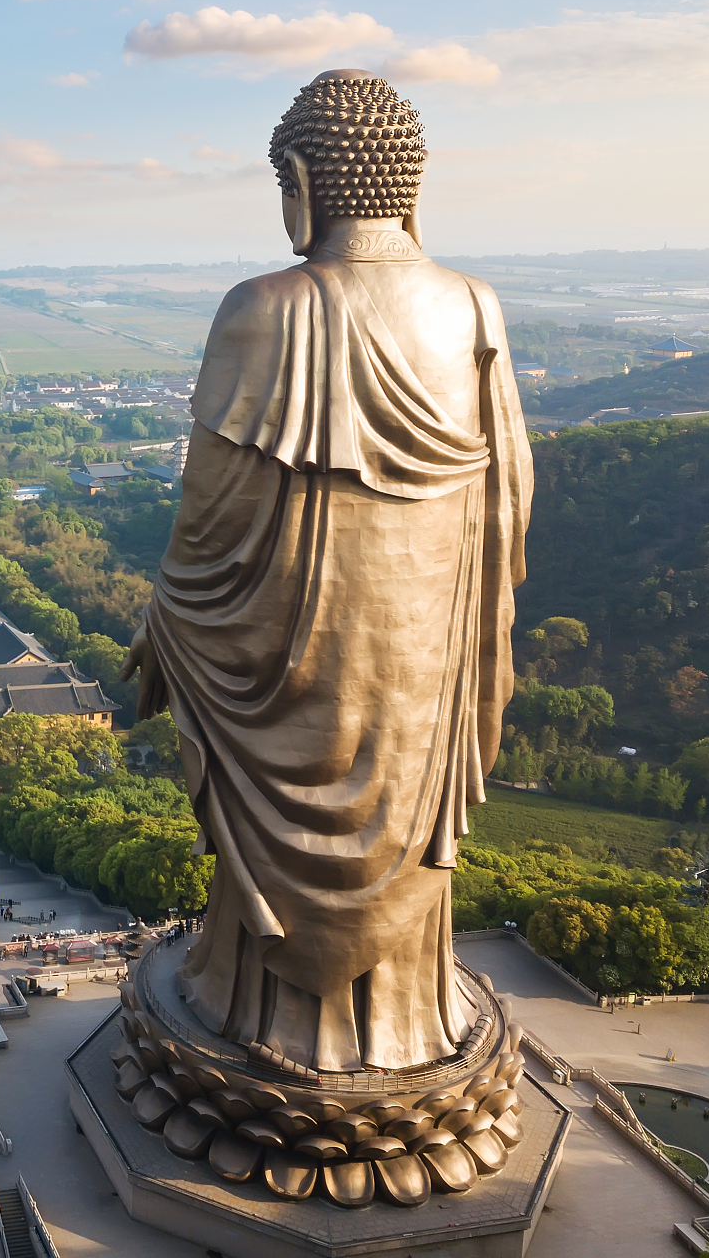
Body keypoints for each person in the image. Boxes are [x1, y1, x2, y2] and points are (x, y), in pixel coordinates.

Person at [127, 69, 529, 1072]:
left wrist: (166, 625)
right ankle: (400, 1023)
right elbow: (505, 510)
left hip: (289, 669)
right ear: (408, 186)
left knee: (259, 892)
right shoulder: (471, 308)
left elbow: (209, 526)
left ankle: (251, 1011)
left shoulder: (260, 308)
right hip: (417, 669)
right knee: (400, 829)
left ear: (299, 181)